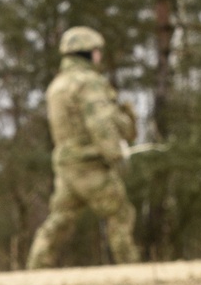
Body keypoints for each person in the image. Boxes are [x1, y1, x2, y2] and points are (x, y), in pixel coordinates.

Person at [27, 25, 140, 270]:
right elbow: (99, 122)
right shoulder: (88, 83)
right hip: (90, 165)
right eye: (97, 51)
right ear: (88, 53)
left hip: (66, 165)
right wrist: (116, 154)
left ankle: (34, 270)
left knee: (59, 220)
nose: (99, 56)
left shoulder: (57, 85)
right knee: (120, 213)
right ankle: (132, 271)